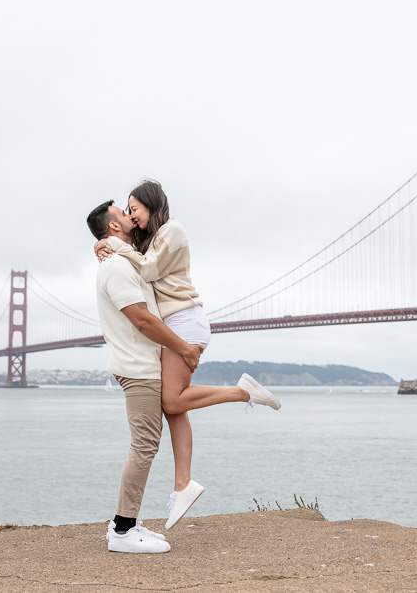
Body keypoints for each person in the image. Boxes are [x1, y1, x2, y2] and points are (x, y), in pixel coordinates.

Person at [94, 179, 281, 531]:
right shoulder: (148, 240)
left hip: (184, 322)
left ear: (152, 204)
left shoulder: (173, 230)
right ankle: (183, 485)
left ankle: (244, 393)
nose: (132, 216)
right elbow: (134, 253)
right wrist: (105, 243)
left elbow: (147, 268)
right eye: (127, 211)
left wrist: (114, 245)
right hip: (176, 324)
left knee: (173, 401)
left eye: (135, 208)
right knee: (172, 403)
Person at [87, 200, 203, 554]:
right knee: (144, 446)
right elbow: (141, 318)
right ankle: (122, 530)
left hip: (143, 365)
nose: (129, 214)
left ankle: (128, 523)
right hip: (139, 369)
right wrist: (184, 348)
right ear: (114, 228)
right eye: (123, 213)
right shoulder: (117, 268)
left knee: (145, 445)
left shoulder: (124, 259)